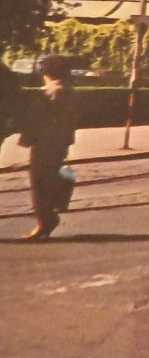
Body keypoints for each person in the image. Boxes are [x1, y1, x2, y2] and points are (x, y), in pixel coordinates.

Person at [19, 55, 78, 240]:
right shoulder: (69, 91)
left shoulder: (48, 92)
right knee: (53, 179)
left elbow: (34, 121)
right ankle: (49, 216)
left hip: (44, 144)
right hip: (60, 143)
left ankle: (45, 221)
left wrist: (26, 140)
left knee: (39, 184)